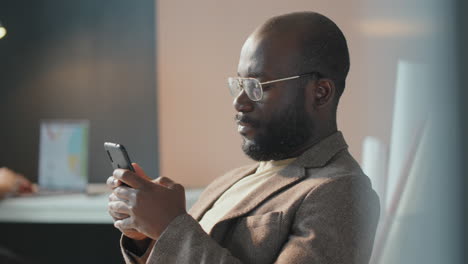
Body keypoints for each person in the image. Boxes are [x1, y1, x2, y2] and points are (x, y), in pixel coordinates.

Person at [107, 11, 380, 264]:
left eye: (257, 86)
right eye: (239, 83)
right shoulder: (229, 182)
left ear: (320, 92)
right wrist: (147, 236)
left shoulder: (343, 191)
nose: (240, 101)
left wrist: (170, 225)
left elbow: (182, 240)